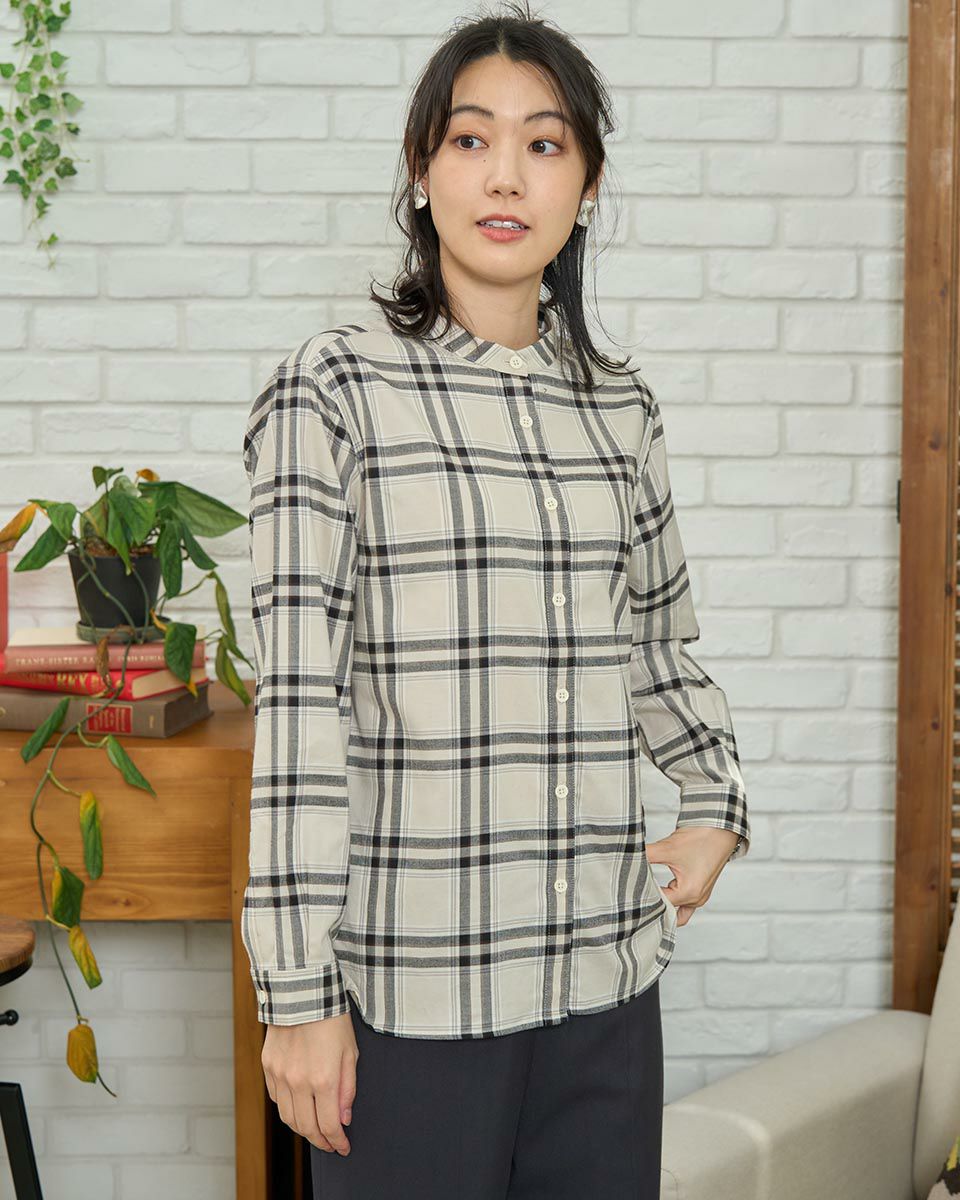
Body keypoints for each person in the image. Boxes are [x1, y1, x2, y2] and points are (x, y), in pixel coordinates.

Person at [240, 3, 751, 1196]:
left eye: (545, 142)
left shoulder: (620, 409)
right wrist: (299, 996)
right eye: (470, 139)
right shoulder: (335, 389)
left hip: (605, 991)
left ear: (588, 183)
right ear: (421, 172)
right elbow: (301, 707)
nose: (506, 175)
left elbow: (659, 647)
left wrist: (716, 799)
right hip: (415, 1001)